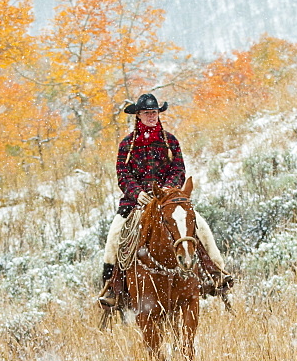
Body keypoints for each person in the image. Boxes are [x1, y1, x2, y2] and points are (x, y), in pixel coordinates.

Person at [98, 92, 229, 307]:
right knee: (114, 238)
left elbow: (178, 169)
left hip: (168, 200)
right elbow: (123, 174)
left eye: (155, 113)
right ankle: (112, 287)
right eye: (147, 113)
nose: (152, 116)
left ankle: (215, 273)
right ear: (138, 115)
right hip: (135, 203)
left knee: (202, 228)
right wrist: (138, 193)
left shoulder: (170, 141)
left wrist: (168, 188)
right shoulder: (126, 145)